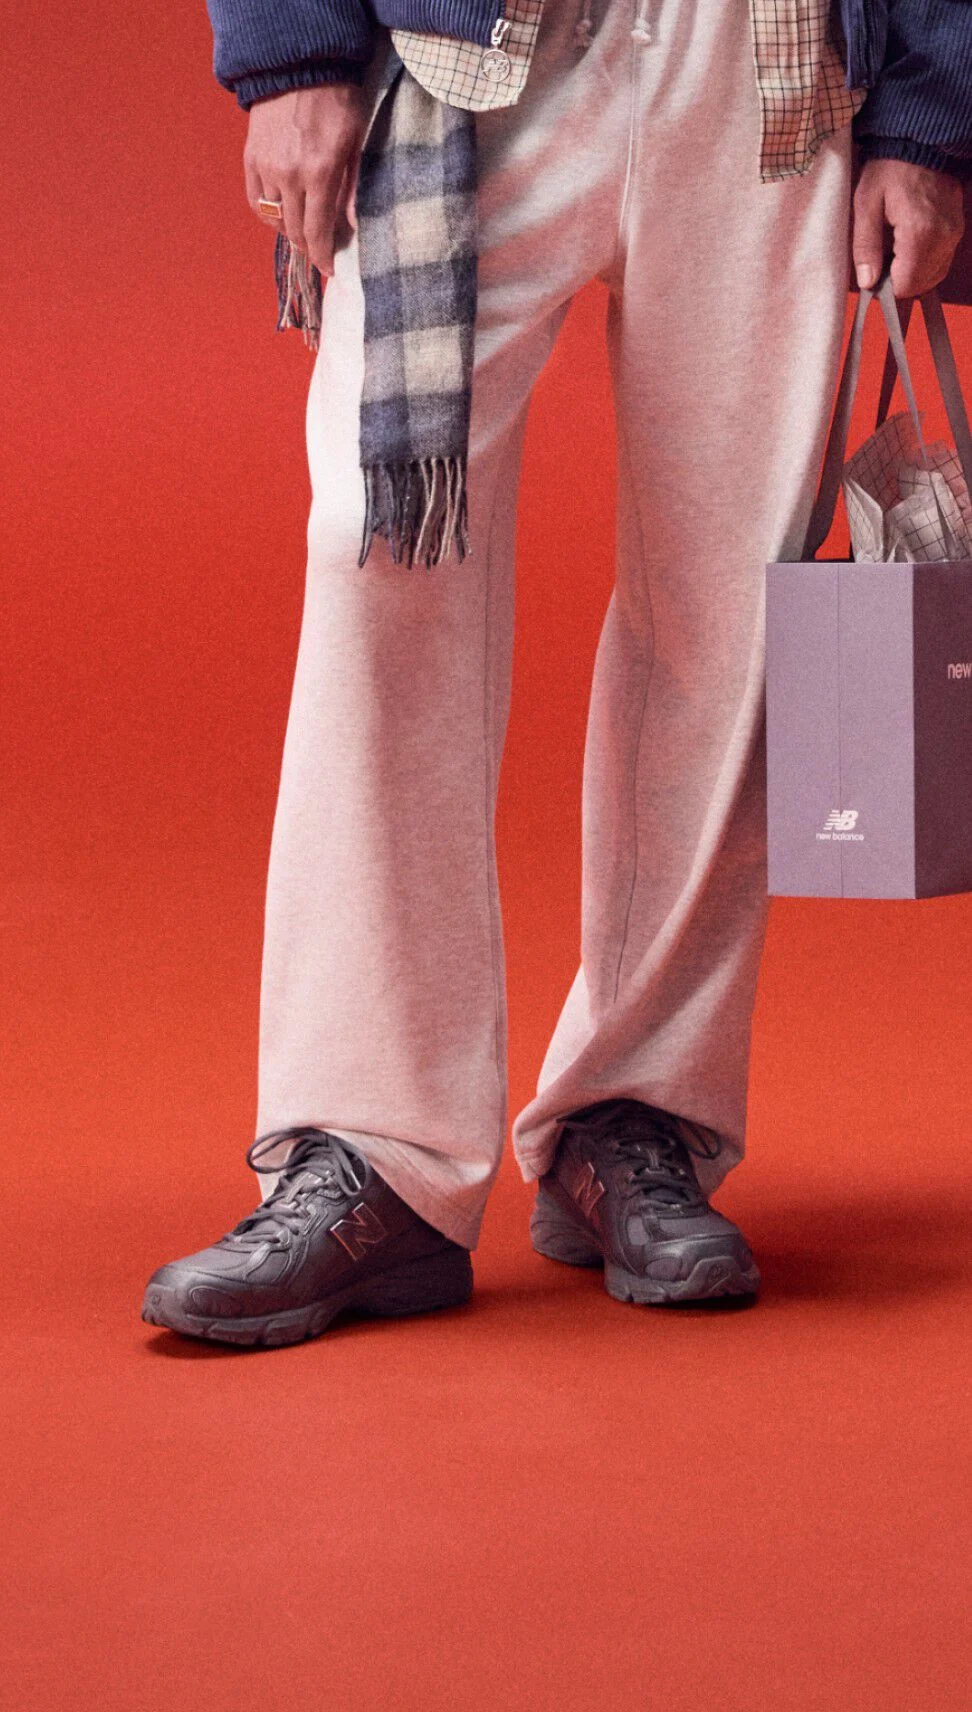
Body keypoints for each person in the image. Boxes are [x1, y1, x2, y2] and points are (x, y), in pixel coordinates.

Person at [142, 0, 969, 1345]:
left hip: (764, 67)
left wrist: (933, 115)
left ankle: (636, 1112)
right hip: (472, 56)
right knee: (377, 551)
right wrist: (289, 52)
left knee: (733, 615)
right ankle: (374, 1149)